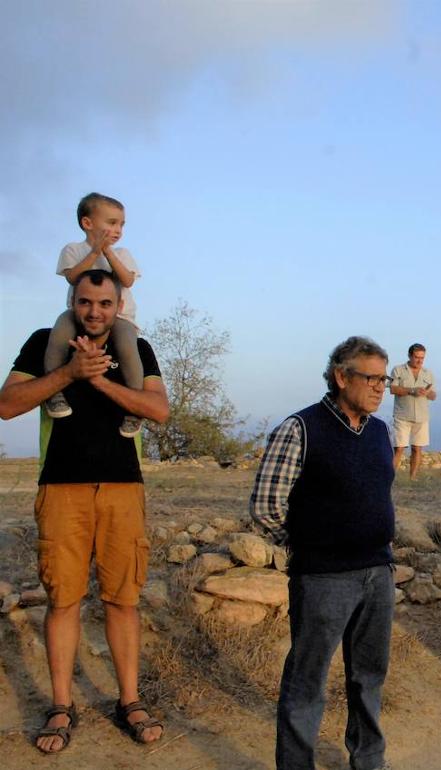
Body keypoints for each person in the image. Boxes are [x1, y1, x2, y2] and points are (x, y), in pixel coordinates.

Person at [0, 269, 170, 754]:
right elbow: (7, 404)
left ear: (119, 306)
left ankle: (130, 701)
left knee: (122, 599)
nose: (94, 312)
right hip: (60, 488)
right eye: (85, 302)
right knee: (64, 600)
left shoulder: (136, 348)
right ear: (72, 300)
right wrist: (69, 373)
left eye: (104, 303)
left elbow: (158, 411)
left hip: (123, 489)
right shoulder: (43, 343)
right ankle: (60, 705)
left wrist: (100, 383)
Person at [250, 336, 398, 770]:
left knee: (369, 678)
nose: (380, 388)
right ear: (341, 376)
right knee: (307, 682)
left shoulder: (379, 432)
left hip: (377, 572)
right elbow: (266, 507)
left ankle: (369, 760)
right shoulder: (300, 428)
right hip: (323, 578)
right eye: (371, 378)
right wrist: (310, 546)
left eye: (384, 379)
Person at [43, 193, 146, 438]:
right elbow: (72, 277)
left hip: (119, 318)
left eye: (121, 224)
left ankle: (135, 406)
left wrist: (108, 253)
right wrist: (94, 252)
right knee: (58, 335)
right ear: (87, 223)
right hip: (78, 315)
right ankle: (53, 393)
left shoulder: (122, 252)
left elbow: (127, 280)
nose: (118, 229)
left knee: (128, 346)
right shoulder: (73, 249)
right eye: (111, 223)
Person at [389, 343, 436, 479]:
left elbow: (433, 396)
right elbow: (393, 389)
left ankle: (412, 478)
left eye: (422, 358)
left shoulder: (428, 374)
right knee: (399, 448)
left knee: (417, 448)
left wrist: (427, 393)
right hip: (402, 415)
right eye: (417, 357)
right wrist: (412, 390)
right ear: (410, 356)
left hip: (422, 416)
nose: (419, 360)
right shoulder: (398, 370)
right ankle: (389, 477)